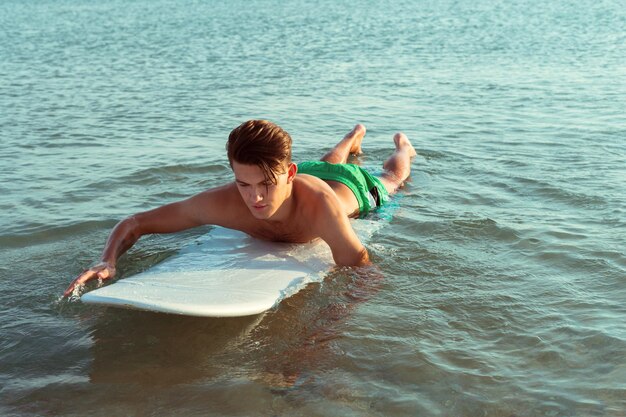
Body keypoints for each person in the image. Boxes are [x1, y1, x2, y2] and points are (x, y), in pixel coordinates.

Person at [63, 120, 417, 297]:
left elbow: (360, 267)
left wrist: (320, 337)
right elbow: (136, 222)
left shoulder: (320, 208)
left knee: (393, 175)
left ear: (288, 174)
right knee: (325, 161)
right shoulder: (226, 200)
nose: (255, 198)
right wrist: (108, 259)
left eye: (265, 186)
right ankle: (352, 137)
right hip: (305, 172)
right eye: (244, 184)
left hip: (351, 188)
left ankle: (403, 144)